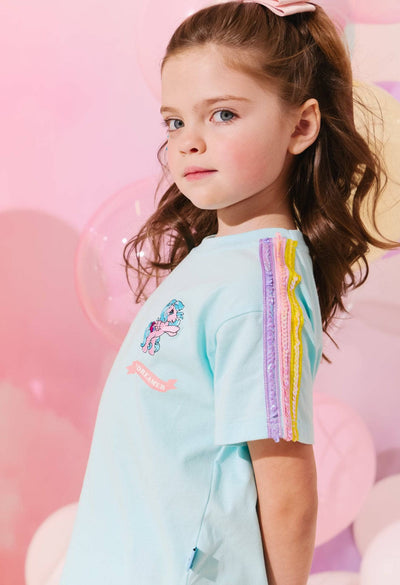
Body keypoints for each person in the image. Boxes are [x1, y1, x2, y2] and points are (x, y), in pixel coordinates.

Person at [59, 2, 399, 585]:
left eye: (222, 114)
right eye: (174, 122)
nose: (189, 142)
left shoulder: (266, 286)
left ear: (301, 126)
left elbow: (287, 490)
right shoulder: (217, 259)